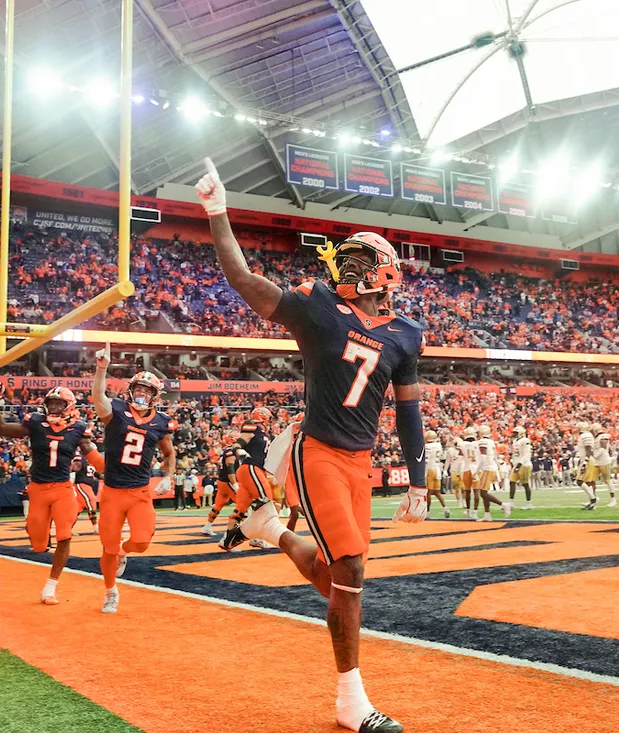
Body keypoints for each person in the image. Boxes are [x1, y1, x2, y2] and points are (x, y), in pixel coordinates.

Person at [195, 158, 425, 733]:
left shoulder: (406, 334)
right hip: (315, 449)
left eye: (363, 260)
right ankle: (352, 704)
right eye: (346, 259)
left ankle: (267, 528)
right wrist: (217, 213)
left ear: (389, 273)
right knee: (348, 567)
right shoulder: (319, 305)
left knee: (337, 576)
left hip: (361, 462)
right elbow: (247, 283)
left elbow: (409, 407)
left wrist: (419, 478)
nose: (350, 267)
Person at [0, 381, 100, 603]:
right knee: (39, 545)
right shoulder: (36, 422)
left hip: (63, 489)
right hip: (38, 489)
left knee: (65, 535)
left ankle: (50, 587)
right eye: (52, 403)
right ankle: (40, 534)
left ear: (69, 406)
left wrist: (116, 468)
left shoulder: (79, 428)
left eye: (60, 404)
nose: (55, 408)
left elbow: (92, 455)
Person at [92, 348, 177, 614]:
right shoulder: (116, 410)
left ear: (155, 396)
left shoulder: (161, 422)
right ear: (131, 389)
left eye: (147, 391)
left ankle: (124, 553)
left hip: (140, 491)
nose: (141, 394)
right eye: (138, 389)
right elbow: (98, 399)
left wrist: (169, 476)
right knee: (107, 547)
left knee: (140, 541)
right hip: (113, 492)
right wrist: (101, 369)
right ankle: (110, 591)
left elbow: (169, 452)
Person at [221, 408, 278, 550]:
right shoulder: (253, 427)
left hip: (251, 471)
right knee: (267, 503)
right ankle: (257, 537)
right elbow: (238, 444)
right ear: (263, 417)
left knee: (241, 510)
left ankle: (226, 541)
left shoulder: (265, 433)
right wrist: (239, 450)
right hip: (251, 468)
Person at [200, 435, 239, 537]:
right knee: (244, 506)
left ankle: (207, 527)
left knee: (217, 506)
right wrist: (235, 485)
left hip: (222, 482)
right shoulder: (231, 452)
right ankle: (233, 533)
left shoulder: (225, 452)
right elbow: (230, 469)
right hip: (228, 482)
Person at [473, 425, 511, 521]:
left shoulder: (483, 442)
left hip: (487, 467)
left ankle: (503, 504)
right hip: (491, 467)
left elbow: (483, 458)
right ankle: (487, 514)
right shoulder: (491, 442)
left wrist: (476, 471)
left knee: (483, 493)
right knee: (484, 492)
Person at [423, 430, 450, 518]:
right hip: (437, 469)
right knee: (437, 492)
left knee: (428, 492)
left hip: (430, 469)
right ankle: (445, 507)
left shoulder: (427, 446)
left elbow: (426, 460)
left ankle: (427, 512)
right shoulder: (439, 446)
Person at [511, 426, 533, 509]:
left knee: (525, 484)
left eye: (516, 433)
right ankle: (511, 503)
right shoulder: (515, 441)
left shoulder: (525, 440)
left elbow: (526, 454)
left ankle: (529, 503)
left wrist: (520, 463)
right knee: (512, 482)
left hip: (524, 465)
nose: (514, 434)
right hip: (516, 464)